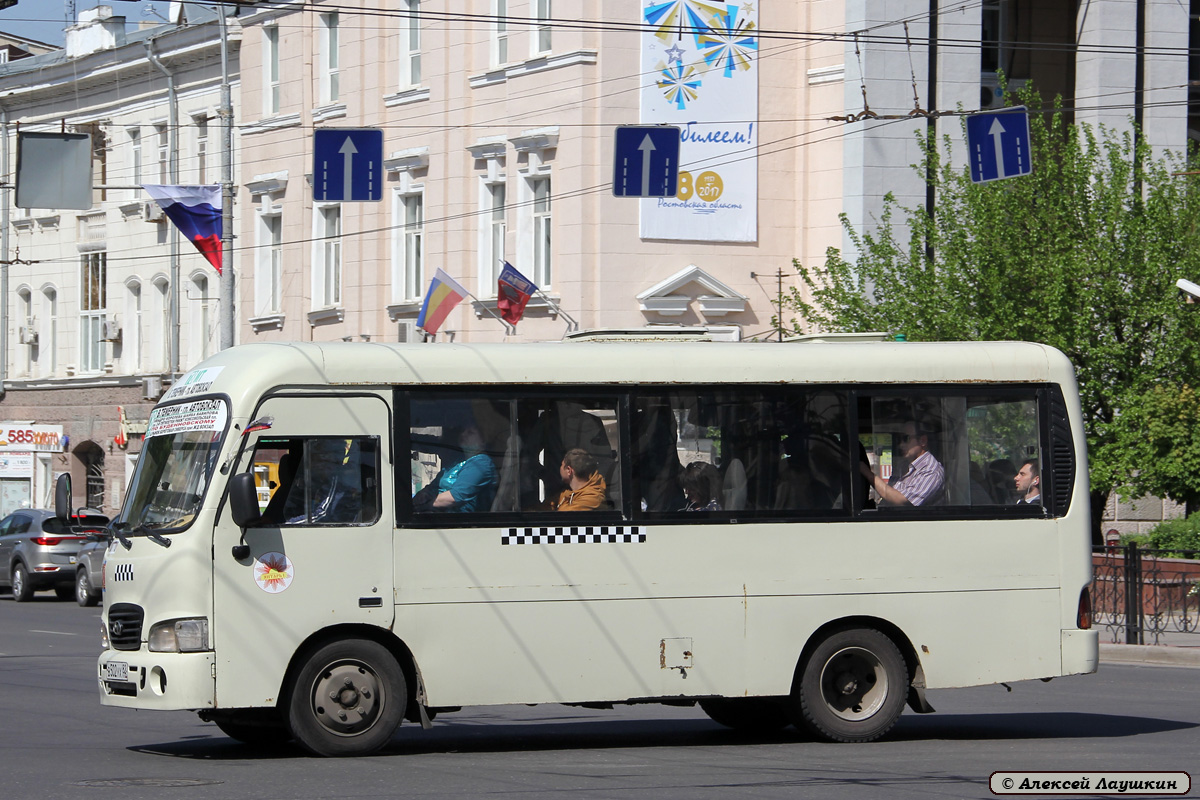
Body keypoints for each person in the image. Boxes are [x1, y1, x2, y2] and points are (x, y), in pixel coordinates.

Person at [859, 420, 944, 507]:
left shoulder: (931, 470)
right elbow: (890, 495)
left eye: (905, 438)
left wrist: (867, 472)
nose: (900, 445)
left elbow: (902, 501)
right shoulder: (904, 465)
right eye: (899, 439)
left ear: (923, 441)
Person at [413, 426, 498, 512]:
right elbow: (433, 486)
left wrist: (424, 505)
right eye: (463, 431)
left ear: (483, 442)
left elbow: (455, 497)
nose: (463, 434)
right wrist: (424, 494)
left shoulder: (482, 462)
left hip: (460, 521)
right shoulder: (456, 462)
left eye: (470, 433)